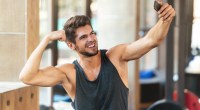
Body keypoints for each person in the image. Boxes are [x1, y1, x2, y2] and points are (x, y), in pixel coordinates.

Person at [19, 2, 175, 110]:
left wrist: (165, 19)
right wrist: (46, 39)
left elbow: (151, 40)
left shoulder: (116, 56)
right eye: (83, 37)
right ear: (71, 45)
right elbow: (27, 77)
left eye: (92, 33)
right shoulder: (69, 73)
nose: (91, 39)